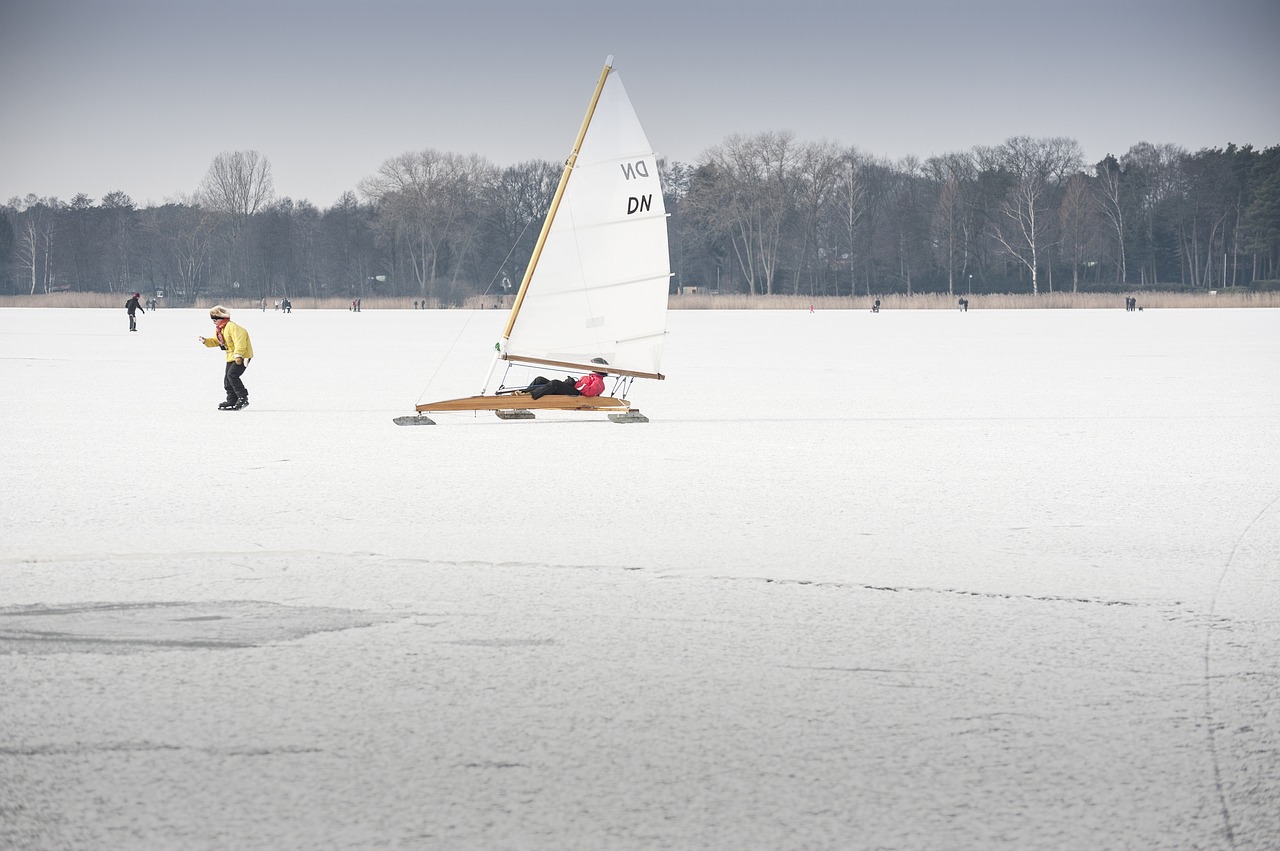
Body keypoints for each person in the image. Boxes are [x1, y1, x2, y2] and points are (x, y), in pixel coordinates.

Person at [198, 305, 254, 410]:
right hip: (231, 356)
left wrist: (238, 355)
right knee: (227, 379)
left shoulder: (232, 327)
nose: (213, 322)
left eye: (215, 319)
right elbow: (217, 341)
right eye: (212, 319)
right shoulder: (221, 329)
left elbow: (240, 341)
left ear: (222, 318)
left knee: (232, 375)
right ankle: (232, 399)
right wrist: (206, 341)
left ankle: (243, 398)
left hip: (242, 356)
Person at [527, 358, 609, 400]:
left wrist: (575, 384)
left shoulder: (599, 381)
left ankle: (530, 396)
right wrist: (569, 383)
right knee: (539, 380)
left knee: (555, 383)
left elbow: (590, 392)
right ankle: (523, 393)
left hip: (578, 395)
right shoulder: (587, 377)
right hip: (574, 390)